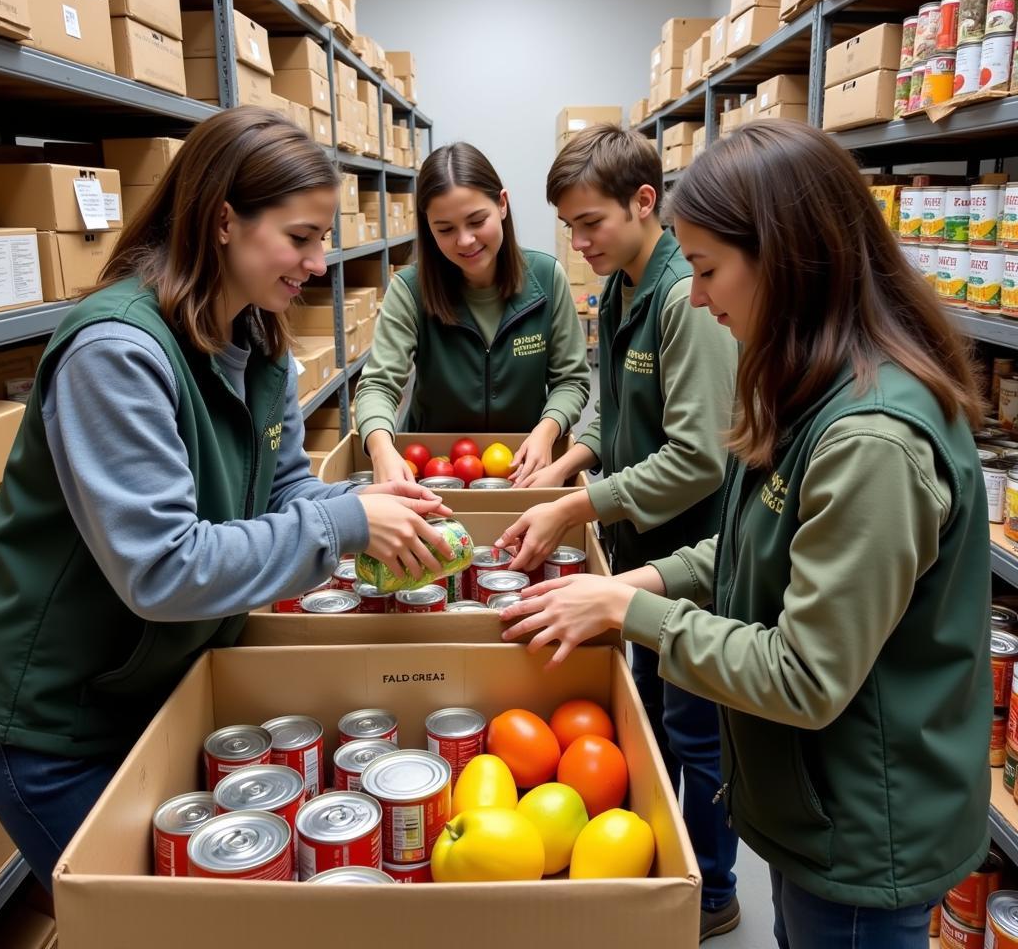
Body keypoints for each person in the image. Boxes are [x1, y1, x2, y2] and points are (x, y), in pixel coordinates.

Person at [499, 119, 991, 949]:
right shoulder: (812, 385)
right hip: (818, 814)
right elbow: (760, 541)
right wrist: (635, 585)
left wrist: (633, 616)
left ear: (791, 258)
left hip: (864, 829)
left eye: (707, 270)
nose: (694, 297)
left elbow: (806, 674)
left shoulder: (868, 441)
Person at [0, 107, 455, 892]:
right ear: (221, 222)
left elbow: (279, 486)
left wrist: (366, 503)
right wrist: (344, 523)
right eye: (301, 237)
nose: (318, 262)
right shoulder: (116, 354)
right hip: (62, 727)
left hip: (162, 684)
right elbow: (162, 570)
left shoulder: (252, 333)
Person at [496, 122, 740, 940]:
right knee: (652, 718)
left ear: (646, 202)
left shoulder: (683, 298)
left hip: (694, 562)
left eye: (590, 222)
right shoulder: (621, 288)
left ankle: (710, 890)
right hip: (638, 552)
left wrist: (577, 507)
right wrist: (567, 464)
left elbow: (700, 459)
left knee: (696, 731)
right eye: (568, 225)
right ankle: (657, 863)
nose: (578, 240)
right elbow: (608, 401)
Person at [355, 142, 590, 484]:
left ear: (502, 205)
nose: (465, 240)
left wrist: (547, 428)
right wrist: (380, 448)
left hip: (522, 465)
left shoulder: (547, 279)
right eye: (445, 229)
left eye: (477, 220)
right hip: (433, 472)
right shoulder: (409, 290)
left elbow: (570, 379)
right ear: (428, 227)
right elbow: (378, 384)